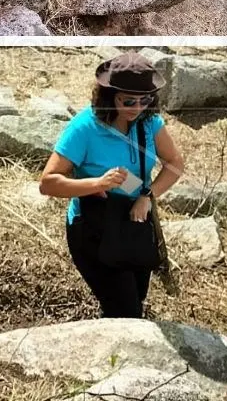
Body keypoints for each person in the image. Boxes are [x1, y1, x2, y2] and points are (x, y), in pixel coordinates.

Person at [39, 52, 184, 318]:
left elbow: (175, 163)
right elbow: (48, 183)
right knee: (125, 310)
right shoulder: (84, 127)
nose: (137, 107)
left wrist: (148, 197)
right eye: (128, 101)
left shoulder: (149, 122)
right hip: (94, 227)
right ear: (109, 95)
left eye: (145, 99)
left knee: (135, 299)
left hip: (134, 223)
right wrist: (97, 183)